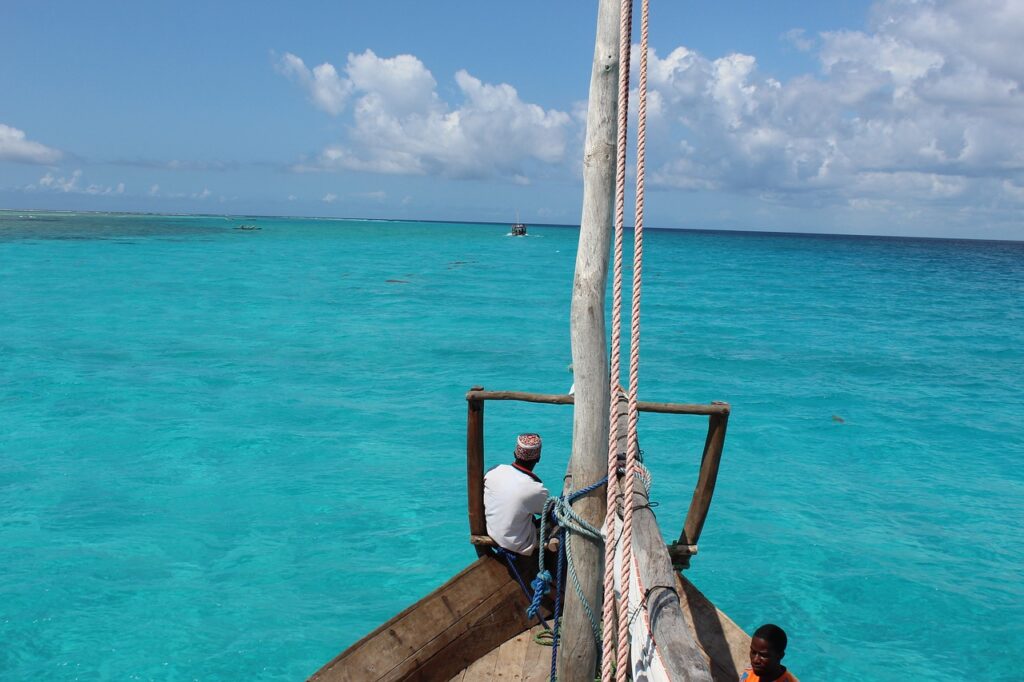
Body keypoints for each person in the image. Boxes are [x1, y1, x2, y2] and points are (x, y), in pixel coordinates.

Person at [483, 433, 550, 555]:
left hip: (493, 534)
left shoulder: (493, 472)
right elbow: (549, 511)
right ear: (538, 458)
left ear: (515, 453)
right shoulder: (536, 489)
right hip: (517, 545)